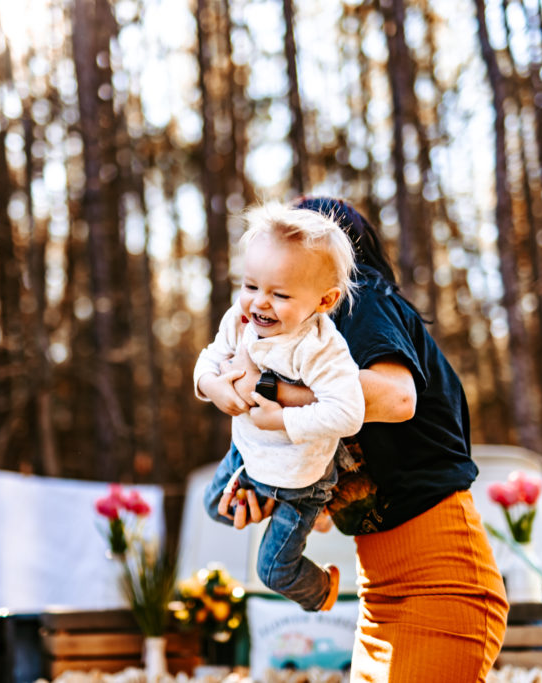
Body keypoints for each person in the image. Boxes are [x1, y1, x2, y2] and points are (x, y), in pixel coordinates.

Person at [215, 197, 509, 682]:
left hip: (440, 583)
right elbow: (331, 511)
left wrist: (269, 390)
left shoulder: (359, 296)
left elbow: (397, 399)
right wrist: (267, 492)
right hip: (378, 594)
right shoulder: (306, 341)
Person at [194, 201, 365, 612]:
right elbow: (211, 357)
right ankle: (285, 510)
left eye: (280, 294)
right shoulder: (240, 319)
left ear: (324, 301)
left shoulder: (320, 349)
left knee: (274, 571)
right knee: (212, 506)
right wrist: (211, 385)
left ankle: (321, 588)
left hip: (300, 479)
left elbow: (348, 411)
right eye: (251, 286)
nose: (259, 304)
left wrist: (280, 418)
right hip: (249, 453)